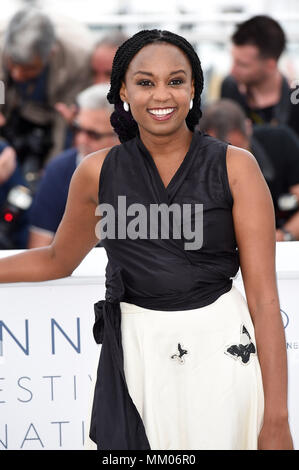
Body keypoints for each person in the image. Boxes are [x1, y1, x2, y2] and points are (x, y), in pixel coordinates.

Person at [0, 29, 294, 451]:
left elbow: (264, 298)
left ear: (193, 87)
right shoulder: (95, 172)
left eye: (175, 81)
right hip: (137, 359)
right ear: (122, 89)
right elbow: (55, 260)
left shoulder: (235, 168)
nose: (162, 95)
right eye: (145, 82)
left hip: (222, 357)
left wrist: (277, 417)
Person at [27, 84, 119, 248]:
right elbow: (39, 246)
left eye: (93, 134)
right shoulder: (59, 170)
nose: (81, 140)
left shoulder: (147, 171)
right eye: (77, 129)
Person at [0, 8, 92, 170]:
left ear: (50, 54)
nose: (17, 75)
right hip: (12, 110)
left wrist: (51, 171)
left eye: (28, 68)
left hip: (49, 117)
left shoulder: (78, 59)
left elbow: (62, 119)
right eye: (12, 63)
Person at [199, 99, 299, 241]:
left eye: (239, 149)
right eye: (220, 154)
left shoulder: (281, 142)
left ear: (248, 127)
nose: (235, 161)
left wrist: (283, 235)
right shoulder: (196, 164)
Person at [220, 15, 299, 136]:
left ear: (270, 65)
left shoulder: (295, 101)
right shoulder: (230, 88)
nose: (232, 70)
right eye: (234, 60)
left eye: (243, 65)